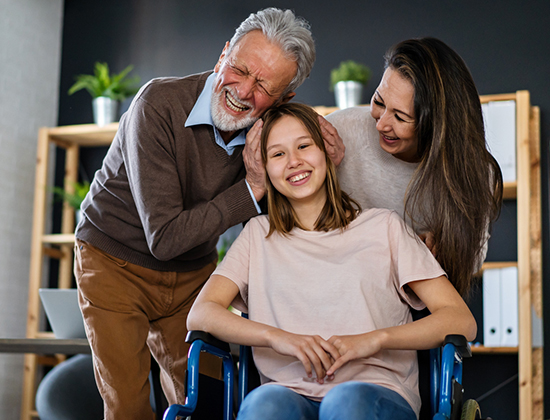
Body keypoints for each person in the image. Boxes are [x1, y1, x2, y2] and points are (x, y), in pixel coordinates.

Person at [73, 8, 320, 420]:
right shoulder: (159, 104)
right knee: (129, 405)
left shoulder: (270, 133)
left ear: (282, 100)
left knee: (208, 399)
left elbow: (272, 226)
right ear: (223, 53)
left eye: (263, 85)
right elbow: (165, 237)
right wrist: (252, 188)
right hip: (114, 260)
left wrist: (319, 138)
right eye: (239, 68)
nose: (243, 90)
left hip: (192, 272)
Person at [187, 103, 477, 420]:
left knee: (345, 403)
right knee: (264, 406)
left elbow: (460, 320)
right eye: (278, 154)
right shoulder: (258, 236)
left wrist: (374, 340)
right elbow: (202, 314)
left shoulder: (385, 227)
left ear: (327, 151)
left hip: (373, 395)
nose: (294, 161)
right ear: (265, 169)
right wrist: (277, 338)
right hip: (288, 395)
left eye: (303, 146)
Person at [321, 37, 503, 296]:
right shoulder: (342, 130)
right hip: (337, 292)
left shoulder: (474, 171)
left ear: (438, 126)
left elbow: (473, 261)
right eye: (379, 102)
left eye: (400, 116)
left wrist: (445, 250)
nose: (381, 124)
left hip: (407, 307)